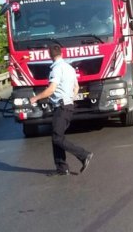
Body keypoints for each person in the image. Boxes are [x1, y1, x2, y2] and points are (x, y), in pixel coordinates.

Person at [30, 44, 93, 177]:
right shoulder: (69, 68)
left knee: (57, 138)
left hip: (62, 107)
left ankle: (84, 155)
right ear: (61, 53)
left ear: (49, 55)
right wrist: (70, 99)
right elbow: (76, 87)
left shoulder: (56, 69)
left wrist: (36, 97)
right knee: (56, 137)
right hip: (68, 106)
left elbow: (52, 89)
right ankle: (62, 168)